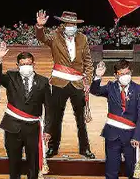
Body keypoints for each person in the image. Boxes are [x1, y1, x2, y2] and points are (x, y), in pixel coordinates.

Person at [0, 44, 51, 179]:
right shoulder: (10, 77)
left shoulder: (44, 81)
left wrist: (47, 130)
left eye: (29, 63)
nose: (26, 66)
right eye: (23, 64)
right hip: (13, 126)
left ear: (34, 64)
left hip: (33, 128)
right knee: (14, 162)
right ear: (18, 66)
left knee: (32, 162)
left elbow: (49, 107)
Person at [35, 10, 95, 159]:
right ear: (63, 24)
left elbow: (88, 62)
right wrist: (39, 26)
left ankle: (84, 148)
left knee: (81, 119)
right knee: (56, 117)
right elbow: (41, 38)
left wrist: (88, 81)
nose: (71, 26)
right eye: (68, 24)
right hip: (59, 83)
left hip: (77, 84)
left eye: (73, 24)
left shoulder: (82, 39)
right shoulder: (55, 36)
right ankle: (53, 148)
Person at [90, 59, 140, 179]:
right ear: (116, 75)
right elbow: (94, 91)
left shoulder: (139, 90)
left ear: (131, 73)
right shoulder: (110, 87)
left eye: (127, 73)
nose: (125, 76)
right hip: (112, 134)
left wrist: (137, 136)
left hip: (131, 137)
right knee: (111, 167)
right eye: (121, 74)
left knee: (132, 167)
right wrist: (97, 76)